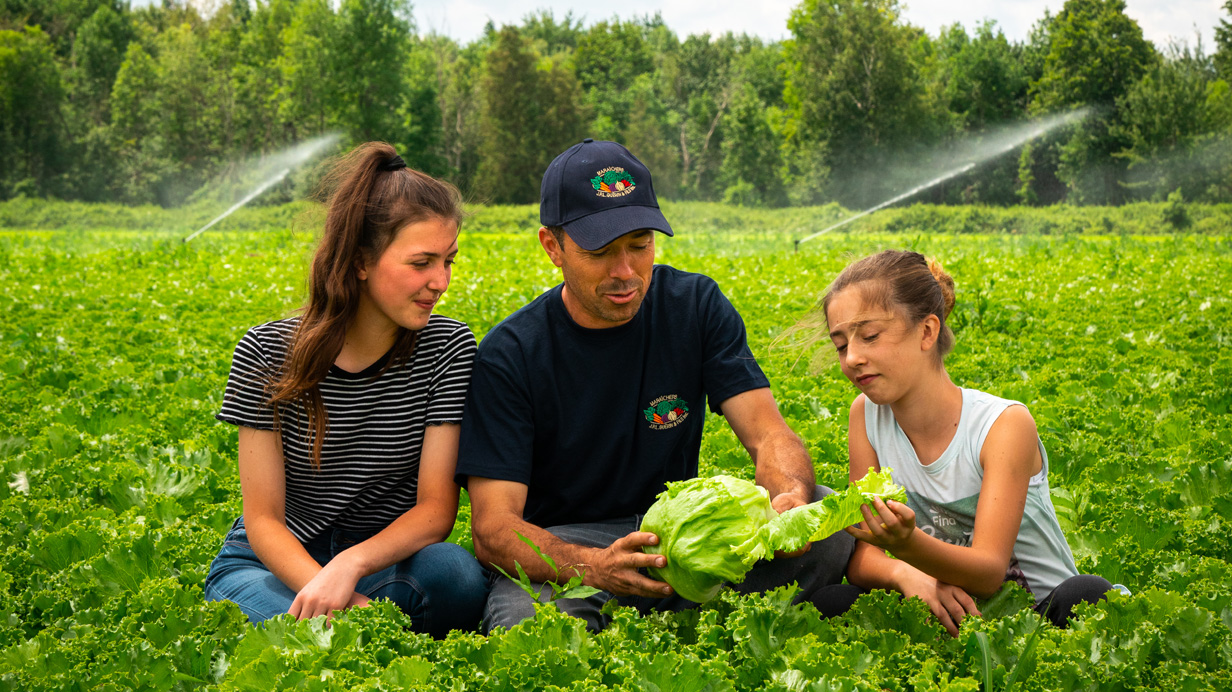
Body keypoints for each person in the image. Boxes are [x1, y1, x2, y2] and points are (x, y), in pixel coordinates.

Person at [455, 139, 857, 633]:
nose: (625, 272)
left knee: (827, 519)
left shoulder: (694, 305)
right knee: (528, 624)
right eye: (600, 252)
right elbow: (494, 529)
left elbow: (768, 433)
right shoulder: (512, 353)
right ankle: (699, 612)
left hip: (680, 535)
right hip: (569, 546)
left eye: (640, 244)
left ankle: (673, 606)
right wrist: (596, 565)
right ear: (552, 247)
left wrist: (789, 497)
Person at [203, 142, 488, 637]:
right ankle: (363, 631)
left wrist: (349, 567)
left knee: (456, 576)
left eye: (449, 261)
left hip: (382, 561)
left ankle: (347, 633)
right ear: (361, 261)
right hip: (274, 565)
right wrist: (323, 589)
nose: (440, 281)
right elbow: (265, 520)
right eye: (421, 263)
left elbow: (435, 512)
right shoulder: (266, 351)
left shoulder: (448, 348)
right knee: (274, 614)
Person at [803, 249, 1111, 635]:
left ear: (927, 332)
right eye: (841, 344)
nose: (852, 358)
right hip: (948, 613)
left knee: (1088, 593)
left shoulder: (1003, 424)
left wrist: (907, 544)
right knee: (832, 603)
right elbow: (863, 555)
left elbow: (987, 572)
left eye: (869, 336)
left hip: (1037, 615)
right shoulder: (865, 415)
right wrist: (907, 575)